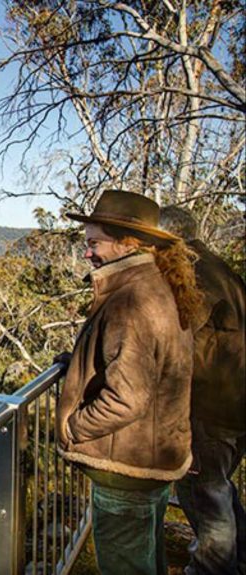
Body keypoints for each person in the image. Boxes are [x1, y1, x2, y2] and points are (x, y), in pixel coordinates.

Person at [56, 190, 200, 575]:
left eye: (94, 243)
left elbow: (127, 398)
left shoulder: (131, 299)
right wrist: (79, 366)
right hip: (153, 461)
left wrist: (73, 428)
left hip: (125, 470)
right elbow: (143, 364)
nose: (87, 252)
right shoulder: (159, 287)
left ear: (126, 243)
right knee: (146, 560)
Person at [159, 206, 246, 575]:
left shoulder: (191, 275)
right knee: (219, 491)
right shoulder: (220, 268)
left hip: (212, 407)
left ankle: (213, 569)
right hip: (234, 403)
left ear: (167, 238)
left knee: (205, 497)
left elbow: (180, 342)